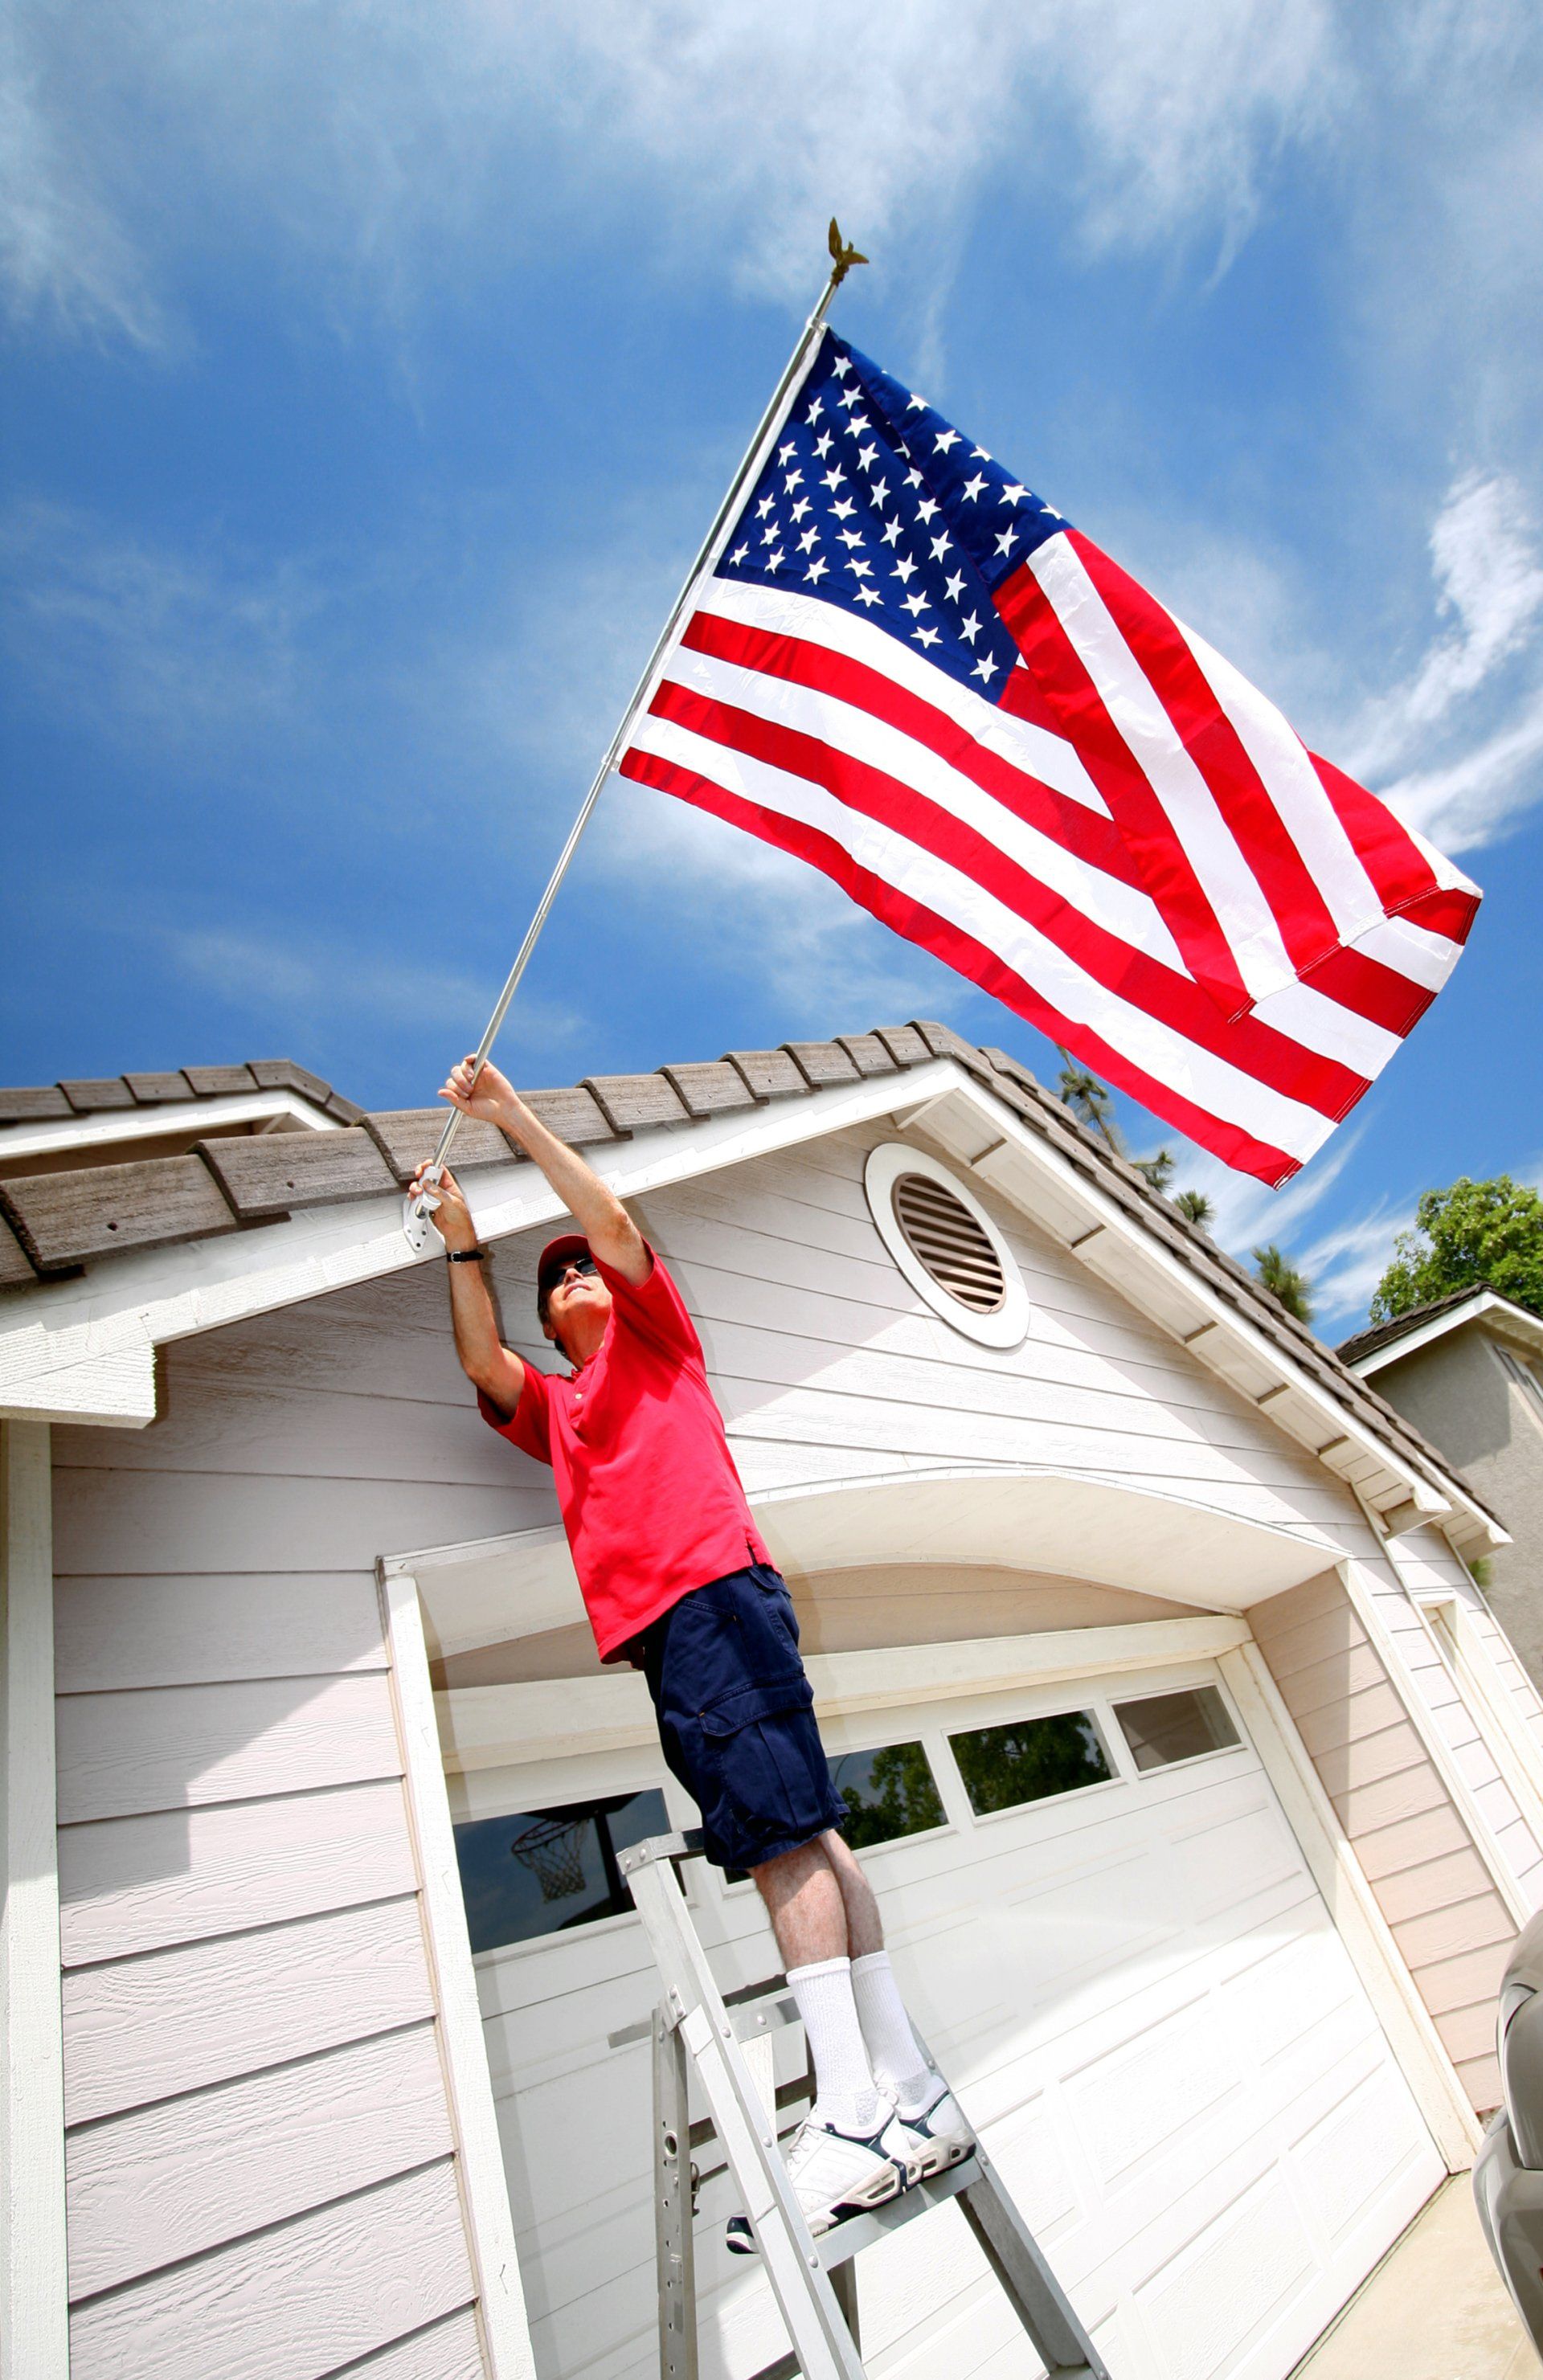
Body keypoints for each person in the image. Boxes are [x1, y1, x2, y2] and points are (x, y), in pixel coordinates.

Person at [411, 1055, 971, 2249]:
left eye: (582, 1268)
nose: (573, 1277)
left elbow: (608, 1220)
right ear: (552, 1321)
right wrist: (462, 1238)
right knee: (812, 1831)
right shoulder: (562, 1412)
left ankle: (856, 2109)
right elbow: (480, 1362)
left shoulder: (655, 1339)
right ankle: (909, 2083)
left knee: (778, 1844)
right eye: (553, 1280)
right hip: (686, 1629)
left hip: (710, 1598)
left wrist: (508, 1117)